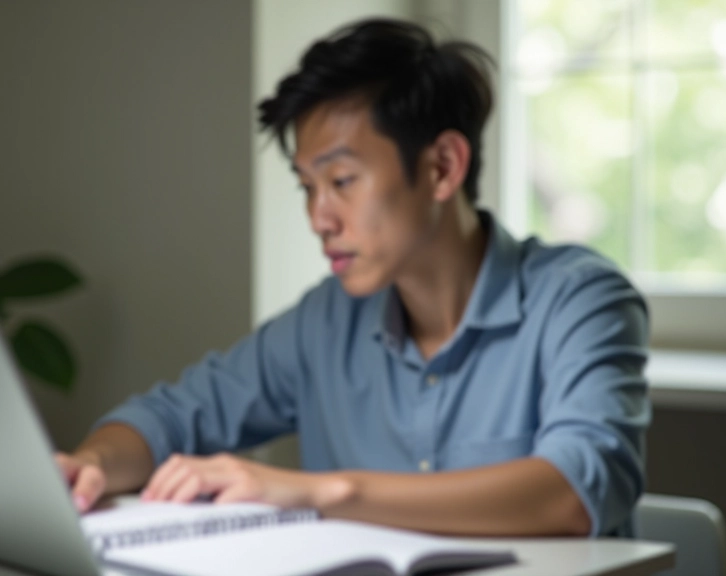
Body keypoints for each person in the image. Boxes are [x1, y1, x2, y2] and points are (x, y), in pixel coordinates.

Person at [56, 18, 650, 538]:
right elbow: (169, 416)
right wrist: (93, 465)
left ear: (443, 167)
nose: (319, 218)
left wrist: (322, 492)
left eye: (341, 181)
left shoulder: (580, 299)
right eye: (307, 188)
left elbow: (575, 491)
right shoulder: (326, 320)